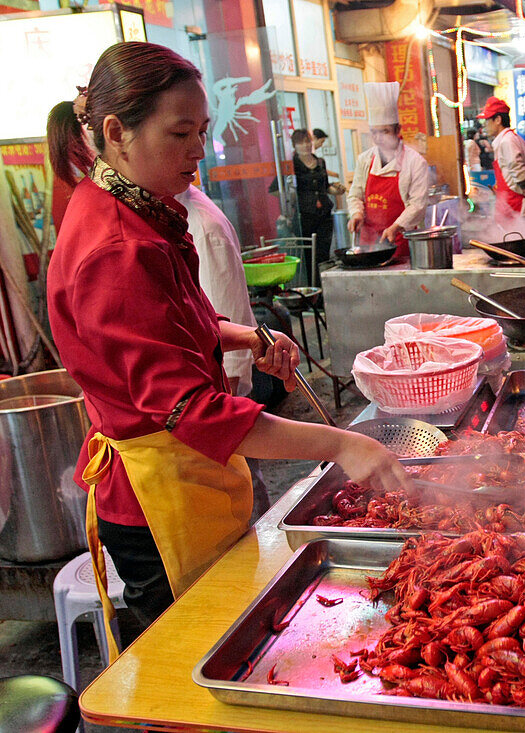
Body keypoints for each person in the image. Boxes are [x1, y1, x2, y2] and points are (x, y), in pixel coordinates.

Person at [45, 42, 410, 643]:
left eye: (202, 131)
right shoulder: (117, 245)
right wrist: (342, 443)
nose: (198, 151)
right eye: (180, 133)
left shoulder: (132, 208)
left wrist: (240, 331)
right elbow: (191, 411)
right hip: (157, 499)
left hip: (184, 474)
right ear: (116, 132)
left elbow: (165, 323)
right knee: (195, 651)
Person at [175, 185, 271, 524]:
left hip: (215, 393)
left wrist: (226, 388)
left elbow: (221, 305)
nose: (198, 150)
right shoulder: (166, 219)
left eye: (199, 133)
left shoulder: (201, 225)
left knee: (242, 486)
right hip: (198, 408)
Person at [347, 82, 430, 261]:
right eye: (374, 133)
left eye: (384, 132)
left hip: (400, 243)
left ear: (398, 130)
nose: (378, 138)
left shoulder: (415, 162)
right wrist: (356, 213)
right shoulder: (365, 160)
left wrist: (396, 226)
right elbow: (355, 195)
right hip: (367, 245)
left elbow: (417, 205)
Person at [477, 96, 525, 219]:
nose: (485, 126)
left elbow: (521, 176)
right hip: (509, 208)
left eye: (487, 121)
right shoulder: (506, 139)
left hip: (517, 210)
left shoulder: (507, 141)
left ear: (497, 120)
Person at [290, 128, 342, 286]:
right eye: (301, 143)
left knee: (323, 254)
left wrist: (337, 190)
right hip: (304, 215)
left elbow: (326, 187)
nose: (305, 145)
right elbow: (275, 190)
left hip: (324, 214)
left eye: (307, 141)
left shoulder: (320, 162)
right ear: (294, 146)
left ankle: (323, 291)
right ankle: (311, 290)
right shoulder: (292, 165)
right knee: (308, 256)